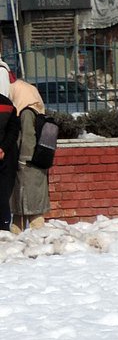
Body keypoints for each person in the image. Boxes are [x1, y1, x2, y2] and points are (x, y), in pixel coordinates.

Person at [8, 70, 50, 232]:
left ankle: (36, 235)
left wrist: (22, 160)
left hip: (28, 165)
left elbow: (28, 138)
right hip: (34, 164)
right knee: (22, 204)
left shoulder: (26, 113)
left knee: (30, 205)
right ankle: (18, 231)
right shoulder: (36, 110)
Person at [0, 58, 17, 232]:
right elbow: (13, 130)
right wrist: (3, 148)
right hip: (5, 155)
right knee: (3, 193)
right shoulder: (8, 104)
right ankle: (4, 226)